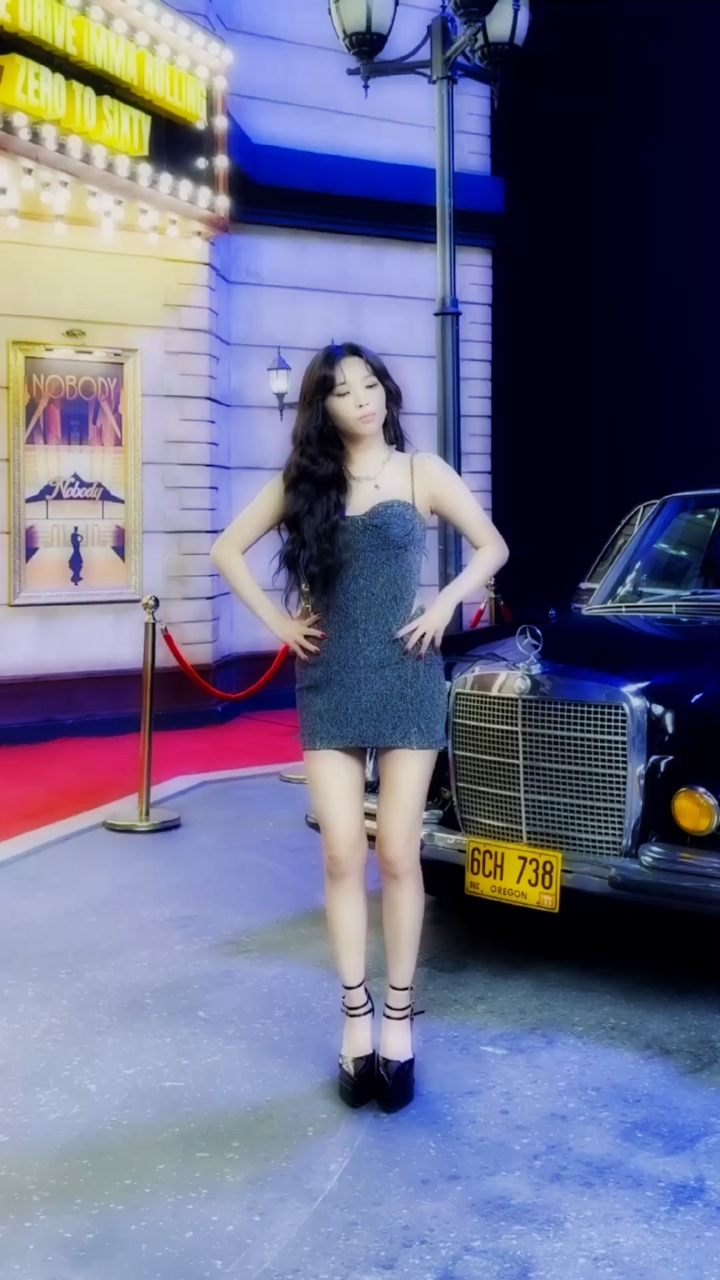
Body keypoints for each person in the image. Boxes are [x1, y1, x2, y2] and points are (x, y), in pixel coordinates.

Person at [210, 342, 509, 1113]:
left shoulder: (421, 471)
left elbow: (493, 546)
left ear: (385, 391)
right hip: (332, 677)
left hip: (408, 675)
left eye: (370, 384)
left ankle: (399, 1020)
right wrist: (281, 623)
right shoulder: (306, 482)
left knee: (399, 853)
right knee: (343, 852)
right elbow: (226, 549)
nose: (363, 399)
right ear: (324, 407)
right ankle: (355, 1018)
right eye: (344, 392)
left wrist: (445, 604)